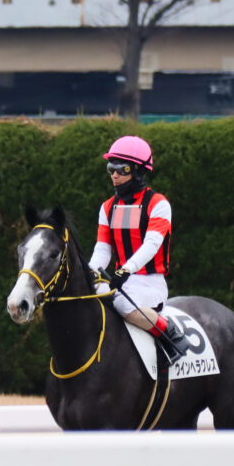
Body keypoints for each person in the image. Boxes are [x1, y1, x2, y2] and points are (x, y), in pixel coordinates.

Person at [88, 135, 188, 365]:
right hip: (122, 281)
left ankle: (172, 335)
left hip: (150, 282)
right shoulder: (107, 207)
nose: (114, 174)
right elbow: (103, 248)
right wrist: (92, 270)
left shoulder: (159, 204)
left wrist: (126, 269)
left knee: (120, 302)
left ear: (139, 171)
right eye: (110, 168)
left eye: (121, 169)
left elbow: (151, 245)